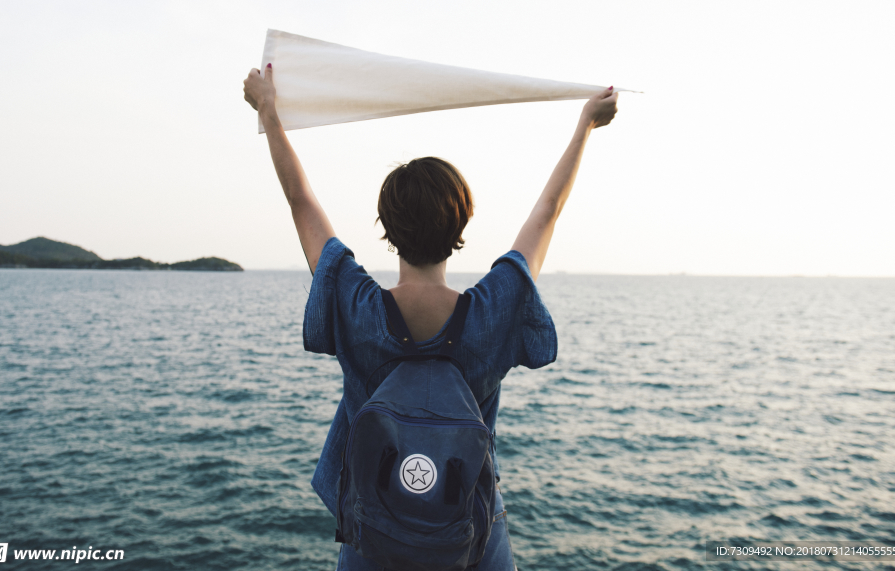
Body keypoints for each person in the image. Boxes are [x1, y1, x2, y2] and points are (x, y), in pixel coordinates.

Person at [244, 63, 618, 570]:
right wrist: (586, 126)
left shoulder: (358, 308)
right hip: (471, 522)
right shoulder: (492, 311)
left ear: (387, 228)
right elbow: (547, 210)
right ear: (461, 221)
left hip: (370, 525)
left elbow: (300, 201)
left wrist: (269, 110)